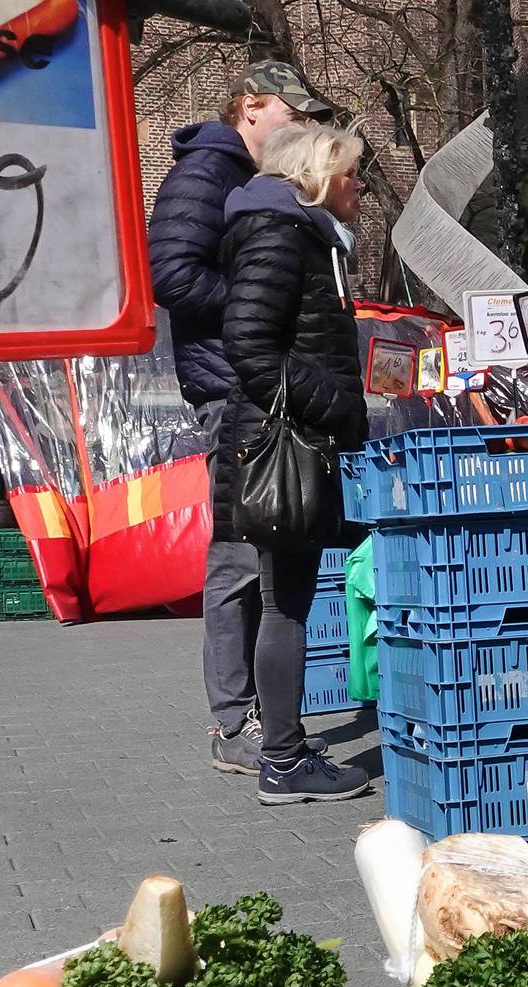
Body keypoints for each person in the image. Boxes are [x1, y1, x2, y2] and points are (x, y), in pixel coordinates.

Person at [154, 60, 340, 778]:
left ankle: (265, 723)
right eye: (295, 116)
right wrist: (264, 299)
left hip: (253, 387)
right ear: (253, 108)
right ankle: (235, 724)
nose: (302, 129)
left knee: (263, 554)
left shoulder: (247, 177)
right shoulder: (208, 172)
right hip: (231, 390)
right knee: (237, 558)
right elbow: (171, 274)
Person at [218, 121, 375, 804]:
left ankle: (284, 744)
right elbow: (250, 344)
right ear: (315, 174)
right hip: (287, 444)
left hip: (292, 438)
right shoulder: (280, 234)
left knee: (290, 598)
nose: (359, 185)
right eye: (349, 173)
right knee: (286, 601)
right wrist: (336, 405)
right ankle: (282, 761)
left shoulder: (299, 235)